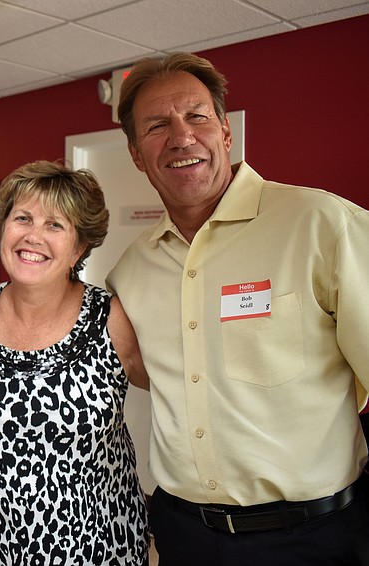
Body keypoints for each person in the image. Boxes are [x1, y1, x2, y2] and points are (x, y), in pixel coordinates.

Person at [106, 52, 369, 565]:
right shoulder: (131, 270)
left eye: (197, 117)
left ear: (226, 132)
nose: (181, 137)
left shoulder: (322, 225)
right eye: (157, 125)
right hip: (183, 536)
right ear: (136, 154)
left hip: (314, 537)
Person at [0, 160, 150, 565]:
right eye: (22, 218)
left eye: (55, 225)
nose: (33, 236)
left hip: (97, 549)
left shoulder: (110, 319)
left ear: (79, 247)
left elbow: (183, 392)